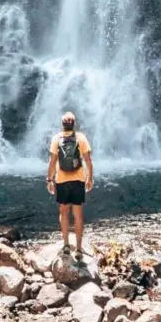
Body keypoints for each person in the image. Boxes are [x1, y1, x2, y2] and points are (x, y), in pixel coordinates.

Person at [46, 111, 93, 261]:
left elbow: (52, 162)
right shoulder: (81, 138)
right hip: (78, 179)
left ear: (63, 125)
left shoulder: (56, 138)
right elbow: (88, 160)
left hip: (61, 180)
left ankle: (66, 244)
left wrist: (49, 179)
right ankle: (78, 249)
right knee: (78, 215)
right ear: (74, 124)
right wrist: (90, 177)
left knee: (63, 212)